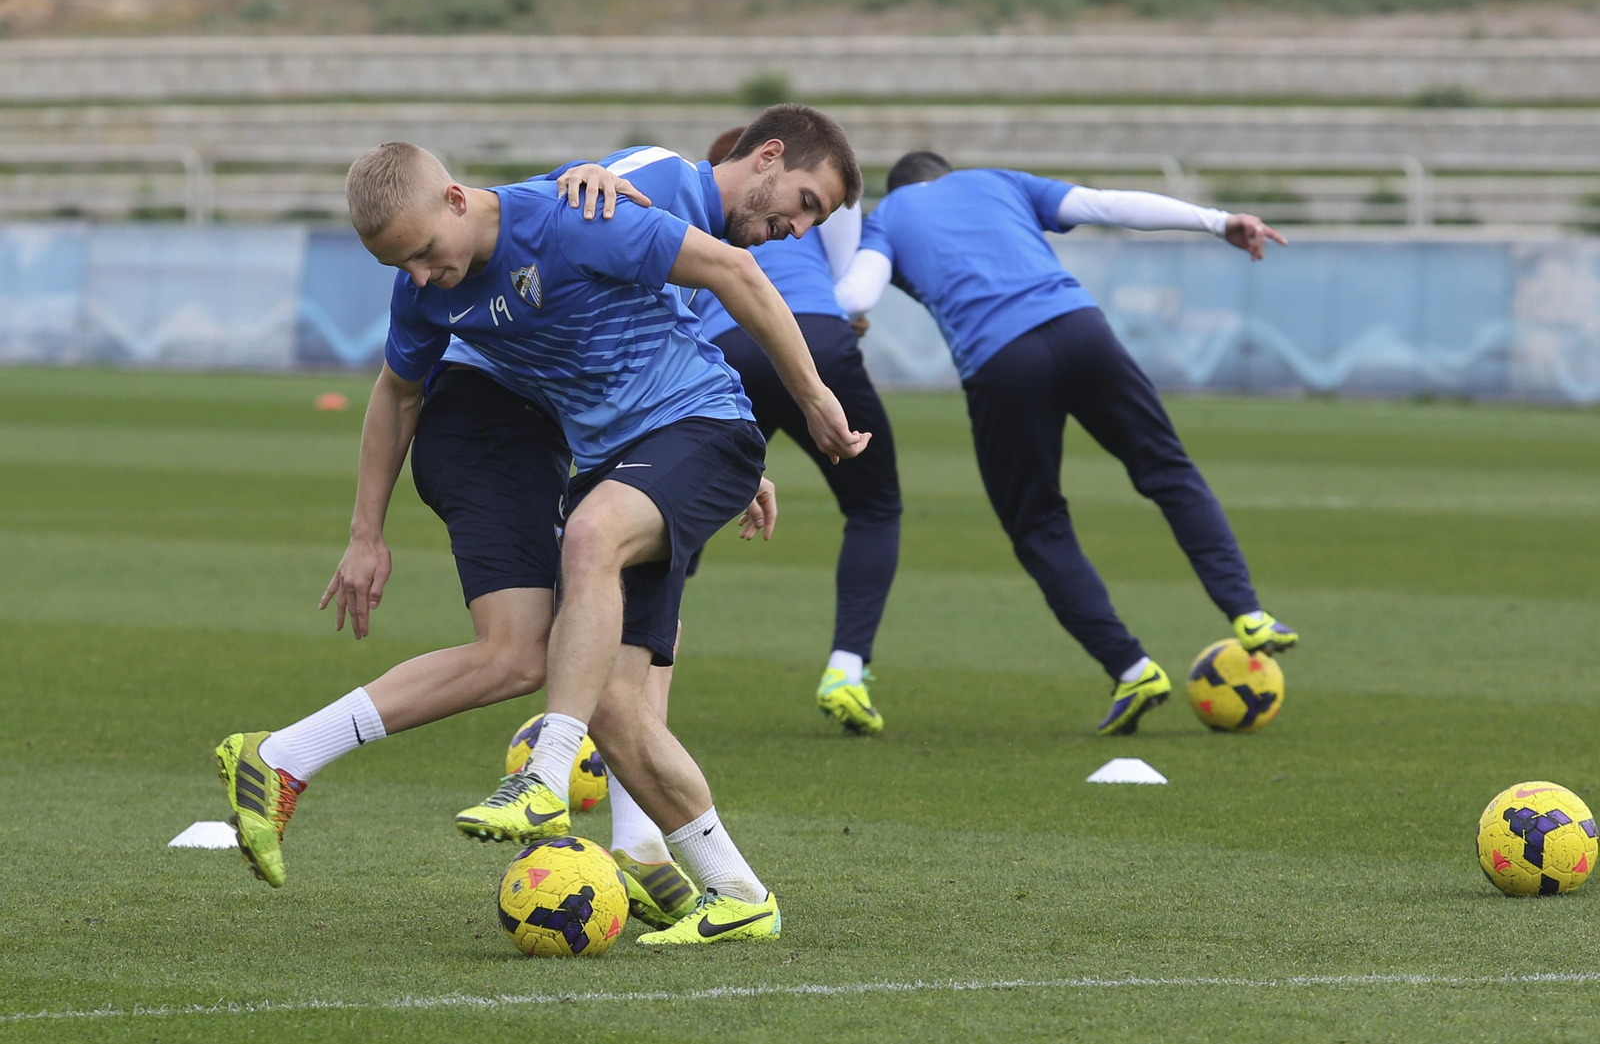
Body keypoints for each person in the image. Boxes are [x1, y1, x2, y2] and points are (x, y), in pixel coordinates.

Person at [217, 134, 866, 946]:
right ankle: (736, 892)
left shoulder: (583, 215)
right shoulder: (428, 289)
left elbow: (728, 274)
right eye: (400, 265)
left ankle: (546, 774)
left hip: (693, 432)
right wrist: (364, 532)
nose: (418, 275)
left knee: (586, 548)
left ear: (455, 201)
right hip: (602, 455)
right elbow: (396, 388)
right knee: (616, 702)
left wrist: (812, 402)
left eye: (422, 253)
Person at [833, 152, 1298, 736]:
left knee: (1037, 525)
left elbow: (857, 295)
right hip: (1081, 329)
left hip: (1002, 365)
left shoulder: (886, 220)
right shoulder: (998, 182)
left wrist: (809, 312)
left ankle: (1131, 668)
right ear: (946, 175)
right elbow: (1108, 204)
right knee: (1167, 469)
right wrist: (1216, 220)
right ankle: (1249, 614)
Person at [529, 118, 899, 735]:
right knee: (876, 508)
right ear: (767, 157)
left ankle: (621, 792)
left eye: (817, 221)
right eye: (805, 203)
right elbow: (533, 212)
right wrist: (577, 172)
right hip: (526, 402)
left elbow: (679, 350)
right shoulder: (665, 176)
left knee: (652, 575)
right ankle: (845, 667)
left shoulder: (700, 243)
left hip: (669, 393)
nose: (799, 231)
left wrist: (741, 458)